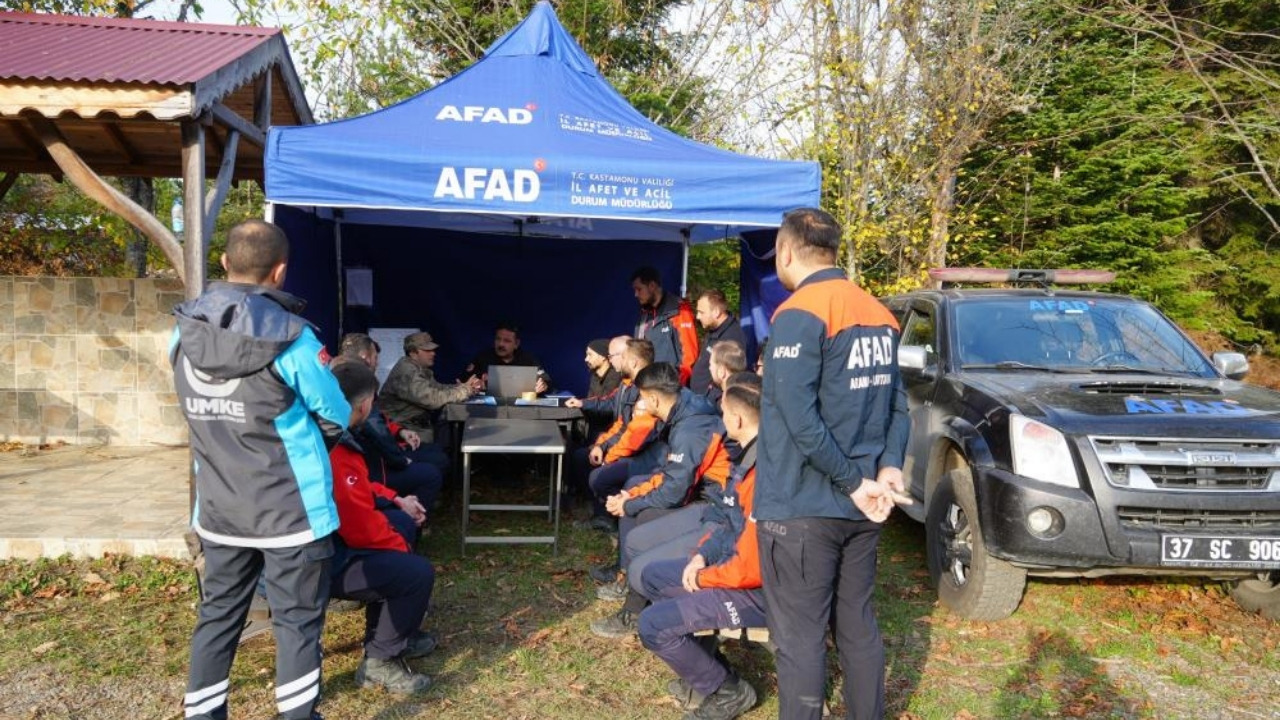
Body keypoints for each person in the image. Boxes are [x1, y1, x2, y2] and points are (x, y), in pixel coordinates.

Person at [172, 219, 350, 720]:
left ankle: (203, 714)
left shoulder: (182, 332)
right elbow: (335, 412)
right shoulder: (294, 340)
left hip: (220, 508)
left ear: (225, 263)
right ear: (280, 272)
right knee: (296, 623)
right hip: (292, 513)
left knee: (218, 615)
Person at [756, 207, 911, 720]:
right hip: (863, 503)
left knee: (799, 638)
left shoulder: (799, 312)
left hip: (806, 505)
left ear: (786, 251)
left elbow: (798, 418)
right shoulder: (880, 313)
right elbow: (897, 403)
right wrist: (888, 468)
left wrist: (852, 481)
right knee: (856, 625)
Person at [636, 382, 764, 720]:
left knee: (652, 625)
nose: (720, 420)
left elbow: (750, 569)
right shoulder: (749, 456)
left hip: (762, 593)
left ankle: (728, 691)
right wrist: (701, 556)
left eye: (723, 412)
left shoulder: (767, 472)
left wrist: (705, 577)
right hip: (732, 569)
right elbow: (729, 523)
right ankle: (709, 668)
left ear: (736, 419)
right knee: (652, 577)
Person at [590, 361, 731, 638]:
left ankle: (634, 606)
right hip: (704, 496)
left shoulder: (691, 427)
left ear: (653, 398)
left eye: (642, 397)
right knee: (636, 503)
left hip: (716, 508)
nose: (640, 404)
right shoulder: (685, 408)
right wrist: (634, 495)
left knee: (639, 516)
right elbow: (673, 475)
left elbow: (676, 490)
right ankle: (629, 583)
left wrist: (631, 503)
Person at [327, 361, 438, 695]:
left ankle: (395, 632)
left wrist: (397, 499)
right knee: (414, 572)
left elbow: (357, 486)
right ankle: (379, 661)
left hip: (318, 546)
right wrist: (398, 546)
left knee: (401, 524)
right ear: (366, 404)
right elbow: (359, 526)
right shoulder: (337, 444)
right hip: (317, 560)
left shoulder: (325, 428)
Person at [334, 334, 444, 516]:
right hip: (371, 466)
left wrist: (400, 431)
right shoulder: (358, 382)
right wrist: (399, 460)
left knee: (436, 454)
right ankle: (411, 517)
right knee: (432, 471)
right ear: (365, 357)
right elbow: (374, 427)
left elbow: (379, 419)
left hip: (375, 455)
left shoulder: (338, 375)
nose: (377, 363)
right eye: (376, 358)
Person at [380, 331, 483, 441]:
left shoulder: (419, 369)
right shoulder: (407, 371)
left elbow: (437, 388)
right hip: (405, 431)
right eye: (427, 350)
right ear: (412, 353)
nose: (433, 353)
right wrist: (464, 391)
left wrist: (461, 387)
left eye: (433, 350)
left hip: (416, 428)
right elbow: (432, 399)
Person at [632, 266, 699, 386]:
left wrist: (676, 387)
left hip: (670, 387)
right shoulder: (644, 314)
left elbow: (689, 356)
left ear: (652, 286)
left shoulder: (679, 310)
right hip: (650, 385)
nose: (636, 294)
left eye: (639, 289)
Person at [460, 322, 550, 394]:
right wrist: (474, 384)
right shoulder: (483, 357)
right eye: (498, 339)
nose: (501, 344)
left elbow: (546, 380)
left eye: (507, 341)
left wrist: (543, 385)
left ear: (516, 344)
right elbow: (463, 380)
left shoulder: (528, 359)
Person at [690, 289, 748, 400]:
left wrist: (711, 397)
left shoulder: (732, 337)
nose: (697, 316)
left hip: (711, 408)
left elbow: (730, 378)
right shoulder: (713, 330)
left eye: (701, 312)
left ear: (716, 312)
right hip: (699, 400)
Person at [705, 340, 748, 409]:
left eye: (711, 364)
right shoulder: (746, 395)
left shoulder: (723, 406)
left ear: (722, 372)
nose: (710, 368)